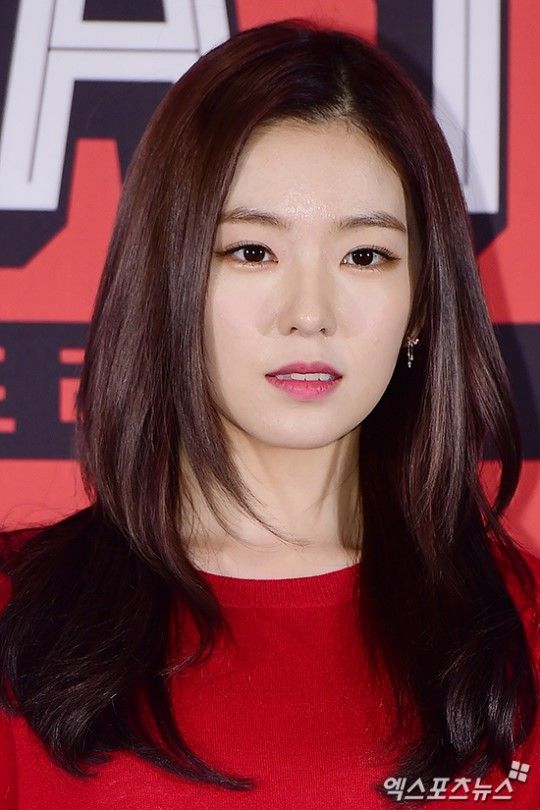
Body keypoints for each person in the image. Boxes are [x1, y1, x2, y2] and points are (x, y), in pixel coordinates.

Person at [0, 18, 539, 809]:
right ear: (171, 281)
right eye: (251, 251)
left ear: (422, 303)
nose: (309, 313)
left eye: (365, 255)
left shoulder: (518, 627)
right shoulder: (18, 617)